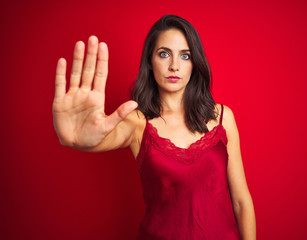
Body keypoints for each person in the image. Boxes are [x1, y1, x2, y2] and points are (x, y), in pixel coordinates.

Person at [53, 15, 256, 240]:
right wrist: (74, 137)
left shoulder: (223, 118)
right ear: (150, 61)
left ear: (195, 62)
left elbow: (241, 201)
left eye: (185, 56)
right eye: (164, 54)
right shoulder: (136, 123)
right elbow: (93, 140)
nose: (174, 66)